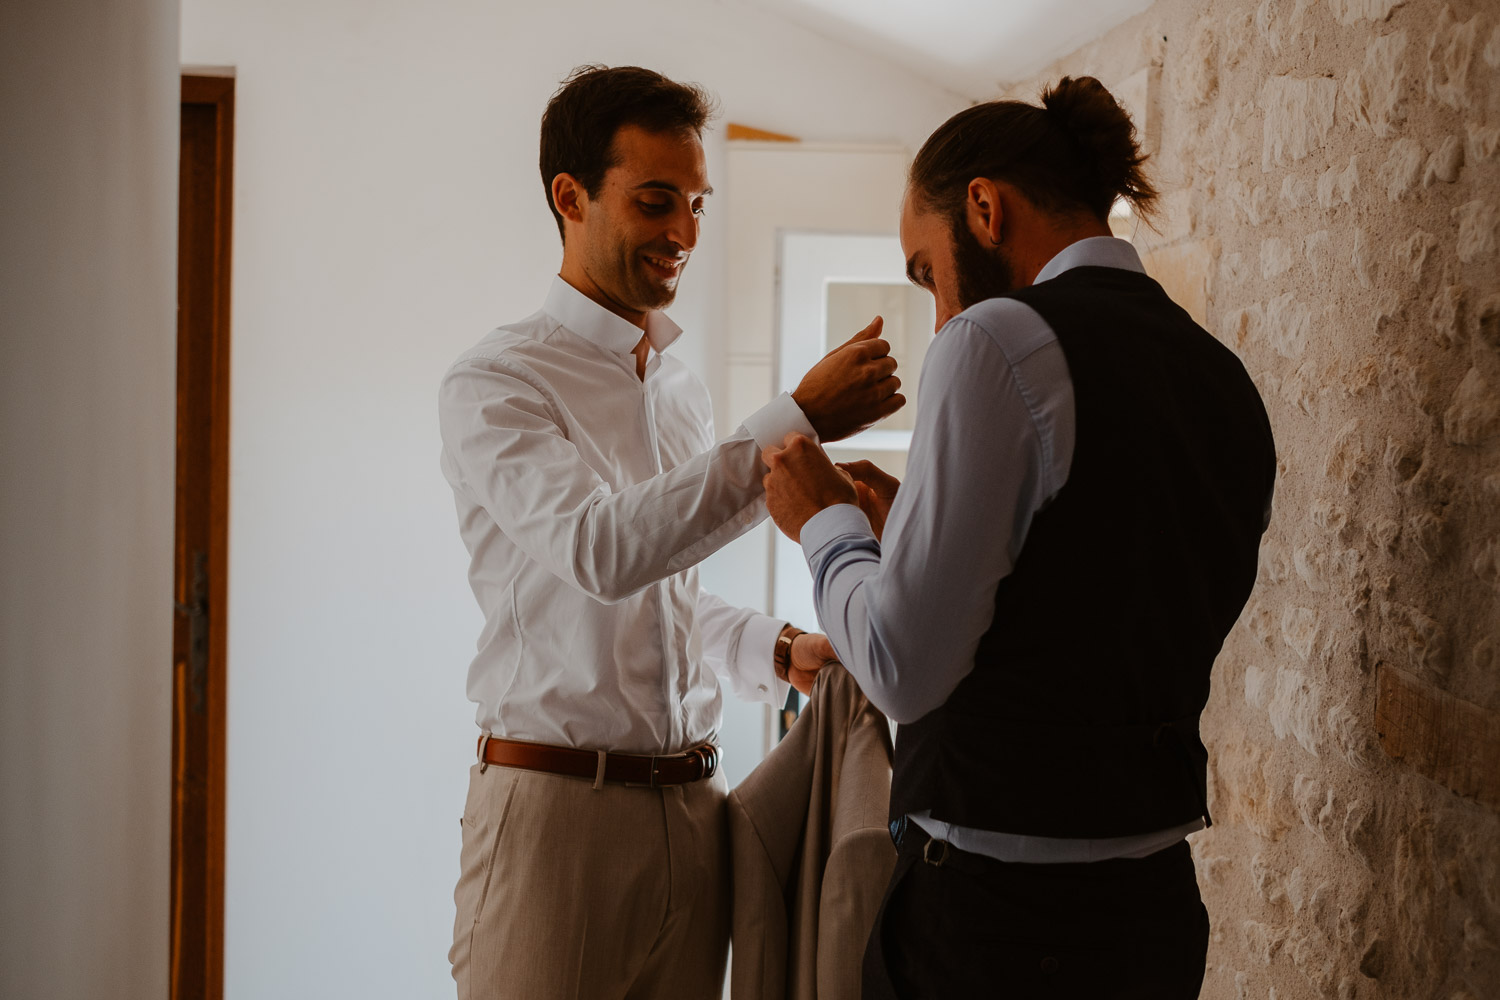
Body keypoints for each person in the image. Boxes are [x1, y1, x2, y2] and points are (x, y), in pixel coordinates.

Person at [760, 76, 1276, 998]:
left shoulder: (996, 340)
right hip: (1153, 914)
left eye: (926, 273)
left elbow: (900, 665)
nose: (939, 314)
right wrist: (921, 528)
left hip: (999, 931)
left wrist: (824, 522)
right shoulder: (1221, 377)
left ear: (985, 209)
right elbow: (1098, 579)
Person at [437, 65, 904, 1000]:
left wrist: (776, 650)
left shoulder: (681, 392)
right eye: (656, 201)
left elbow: (662, 596)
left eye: (696, 203)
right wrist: (794, 419)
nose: (685, 232)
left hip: (695, 817)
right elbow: (602, 552)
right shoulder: (496, 383)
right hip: (555, 821)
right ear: (570, 197)